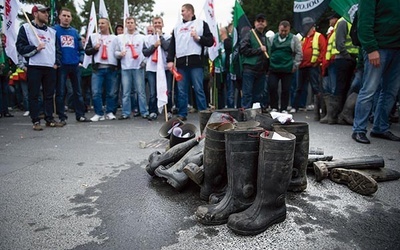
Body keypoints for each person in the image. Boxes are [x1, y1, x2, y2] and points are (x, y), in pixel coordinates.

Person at [352, 0, 400, 143]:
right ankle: (359, 130)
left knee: (390, 92)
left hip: (397, 48)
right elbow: (364, 22)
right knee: (369, 90)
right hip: (378, 47)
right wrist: (371, 48)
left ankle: (380, 127)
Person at [16, 4, 61, 130]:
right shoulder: (26, 28)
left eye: (47, 12)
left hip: (49, 67)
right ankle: (35, 120)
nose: (47, 14)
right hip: (34, 66)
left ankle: (49, 118)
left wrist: (56, 62)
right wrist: (35, 49)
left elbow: (57, 49)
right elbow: (20, 47)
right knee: (34, 94)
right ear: (35, 14)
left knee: (49, 94)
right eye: (43, 12)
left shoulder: (52, 32)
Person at [167, 3, 214, 121]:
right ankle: (182, 113)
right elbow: (172, 45)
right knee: (181, 90)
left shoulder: (201, 24)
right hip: (181, 63)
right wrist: (170, 60)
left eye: (183, 10)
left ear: (190, 11)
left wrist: (198, 38)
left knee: (198, 88)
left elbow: (210, 41)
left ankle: (203, 112)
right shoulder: (177, 28)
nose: (181, 12)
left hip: (196, 63)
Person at [54, 7, 90, 124]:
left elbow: (81, 49)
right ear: (59, 16)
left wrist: (80, 60)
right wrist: (56, 61)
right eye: (64, 15)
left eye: (68, 16)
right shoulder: (54, 30)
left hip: (74, 65)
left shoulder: (74, 32)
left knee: (78, 92)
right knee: (60, 92)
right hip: (61, 65)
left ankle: (80, 115)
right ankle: (61, 117)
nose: (66, 18)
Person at [291, 17, 327, 121]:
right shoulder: (302, 37)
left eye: (308, 25)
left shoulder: (318, 36)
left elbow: (323, 50)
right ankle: (295, 106)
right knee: (298, 87)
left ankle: (320, 109)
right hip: (302, 67)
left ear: (312, 26)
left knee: (316, 88)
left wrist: (317, 62)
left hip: (312, 66)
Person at [85, 17, 118, 121]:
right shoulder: (93, 36)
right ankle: (98, 113)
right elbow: (87, 51)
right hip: (97, 69)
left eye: (103, 23)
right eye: (99, 23)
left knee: (111, 92)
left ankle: (109, 112)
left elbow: (118, 51)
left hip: (111, 68)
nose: (100, 25)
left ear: (108, 25)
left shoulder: (115, 38)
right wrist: (94, 48)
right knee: (96, 92)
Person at [114, 16, 148, 120]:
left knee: (140, 91)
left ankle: (144, 112)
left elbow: (147, 52)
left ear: (135, 24)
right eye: (128, 22)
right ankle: (126, 112)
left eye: (131, 22)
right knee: (126, 92)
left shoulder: (142, 37)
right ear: (125, 24)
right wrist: (120, 54)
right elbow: (115, 53)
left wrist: (144, 62)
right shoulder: (120, 37)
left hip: (138, 66)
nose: (129, 24)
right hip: (126, 67)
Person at [268, 20, 302, 113]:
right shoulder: (272, 38)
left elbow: (299, 52)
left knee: (286, 89)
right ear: (279, 28)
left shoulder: (294, 39)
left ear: (289, 30)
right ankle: (274, 106)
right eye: (282, 30)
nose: (283, 32)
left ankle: (283, 108)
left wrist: (295, 65)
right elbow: (268, 51)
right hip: (273, 68)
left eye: (285, 31)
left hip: (287, 68)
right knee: (272, 87)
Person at [143, 16, 171, 120]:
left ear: (162, 24)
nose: (157, 24)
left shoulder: (168, 36)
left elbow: (168, 47)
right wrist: (154, 45)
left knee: (166, 90)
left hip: (164, 68)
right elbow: (145, 52)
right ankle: (153, 111)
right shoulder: (147, 38)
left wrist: (161, 38)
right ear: (153, 25)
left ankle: (168, 110)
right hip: (152, 68)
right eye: (155, 23)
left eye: (159, 22)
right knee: (153, 91)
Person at [239, 13, 269, 109]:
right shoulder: (249, 35)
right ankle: (245, 116)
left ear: (266, 23)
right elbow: (243, 49)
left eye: (262, 21)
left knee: (258, 95)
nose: (260, 23)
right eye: (258, 21)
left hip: (262, 70)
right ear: (255, 23)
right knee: (247, 94)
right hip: (250, 69)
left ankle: (255, 116)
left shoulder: (266, 38)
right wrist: (259, 50)